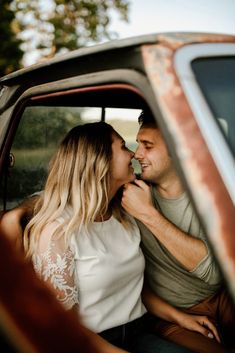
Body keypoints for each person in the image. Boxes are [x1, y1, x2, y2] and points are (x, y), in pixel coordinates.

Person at [4, 121, 197, 353]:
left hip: (139, 331)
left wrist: (181, 318)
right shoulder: (58, 231)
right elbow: (66, 328)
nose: (133, 154)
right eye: (124, 147)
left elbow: (132, 286)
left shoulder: (125, 213)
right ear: (100, 160)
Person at [121, 110, 235, 353]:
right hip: (171, 313)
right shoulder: (129, 194)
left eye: (147, 146)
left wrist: (149, 215)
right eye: (137, 144)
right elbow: (74, 193)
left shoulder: (210, 192)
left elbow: (214, 273)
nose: (136, 154)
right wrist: (21, 210)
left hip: (223, 295)